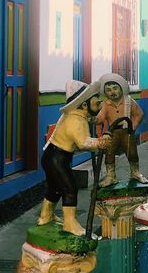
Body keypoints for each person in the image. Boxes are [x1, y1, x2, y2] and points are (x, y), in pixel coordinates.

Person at [39, 80, 111, 236]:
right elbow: (83, 143)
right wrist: (99, 142)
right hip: (57, 158)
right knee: (70, 189)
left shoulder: (75, 115)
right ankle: (70, 224)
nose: (99, 101)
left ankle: (45, 216)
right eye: (95, 99)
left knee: (54, 188)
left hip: (53, 156)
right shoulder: (75, 121)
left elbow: (91, 119)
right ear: (84, 105)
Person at [96, 73, 148, 187]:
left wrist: (133, 126)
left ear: (121, 89)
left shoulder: (128, 101)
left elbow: (139, 114)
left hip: (126, 131)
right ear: (105, 93)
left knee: (132, 151)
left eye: (115, 88)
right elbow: (100, 118)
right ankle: (111, 176)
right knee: (109, 152)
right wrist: (94, 118)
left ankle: (135, 172)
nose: (112, 92)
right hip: (112, 132)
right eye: (109, 90)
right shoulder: (105, 104)